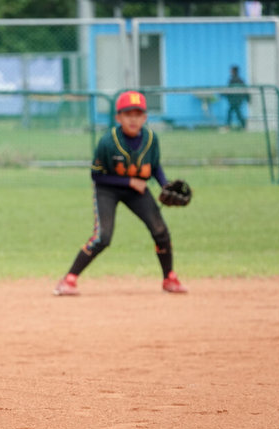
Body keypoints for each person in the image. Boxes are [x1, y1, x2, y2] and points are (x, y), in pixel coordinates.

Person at [54, 90, 187, 296]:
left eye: (138, 114)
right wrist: (128, 181)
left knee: (160, 230)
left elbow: (155, 166)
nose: (133, 119)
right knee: (103, 237)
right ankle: (68, 280)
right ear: (118, 118)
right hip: (108, 189)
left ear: (145, 117)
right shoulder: (108, 142)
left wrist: (164, 184)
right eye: (127, 114)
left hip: (137, 190)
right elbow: (96, 176)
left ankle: (169, 278)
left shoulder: (151, 139)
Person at [225, 65, 249, 129]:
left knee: (234, 113)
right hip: (237, 100)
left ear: (234, 71)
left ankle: (229, 126)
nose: (230, 72)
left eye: (231, 70)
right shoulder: (240, 80)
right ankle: (243, 125)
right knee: (235, 113)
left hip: (235, 100)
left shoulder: (234, 80)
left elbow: (229, 90)